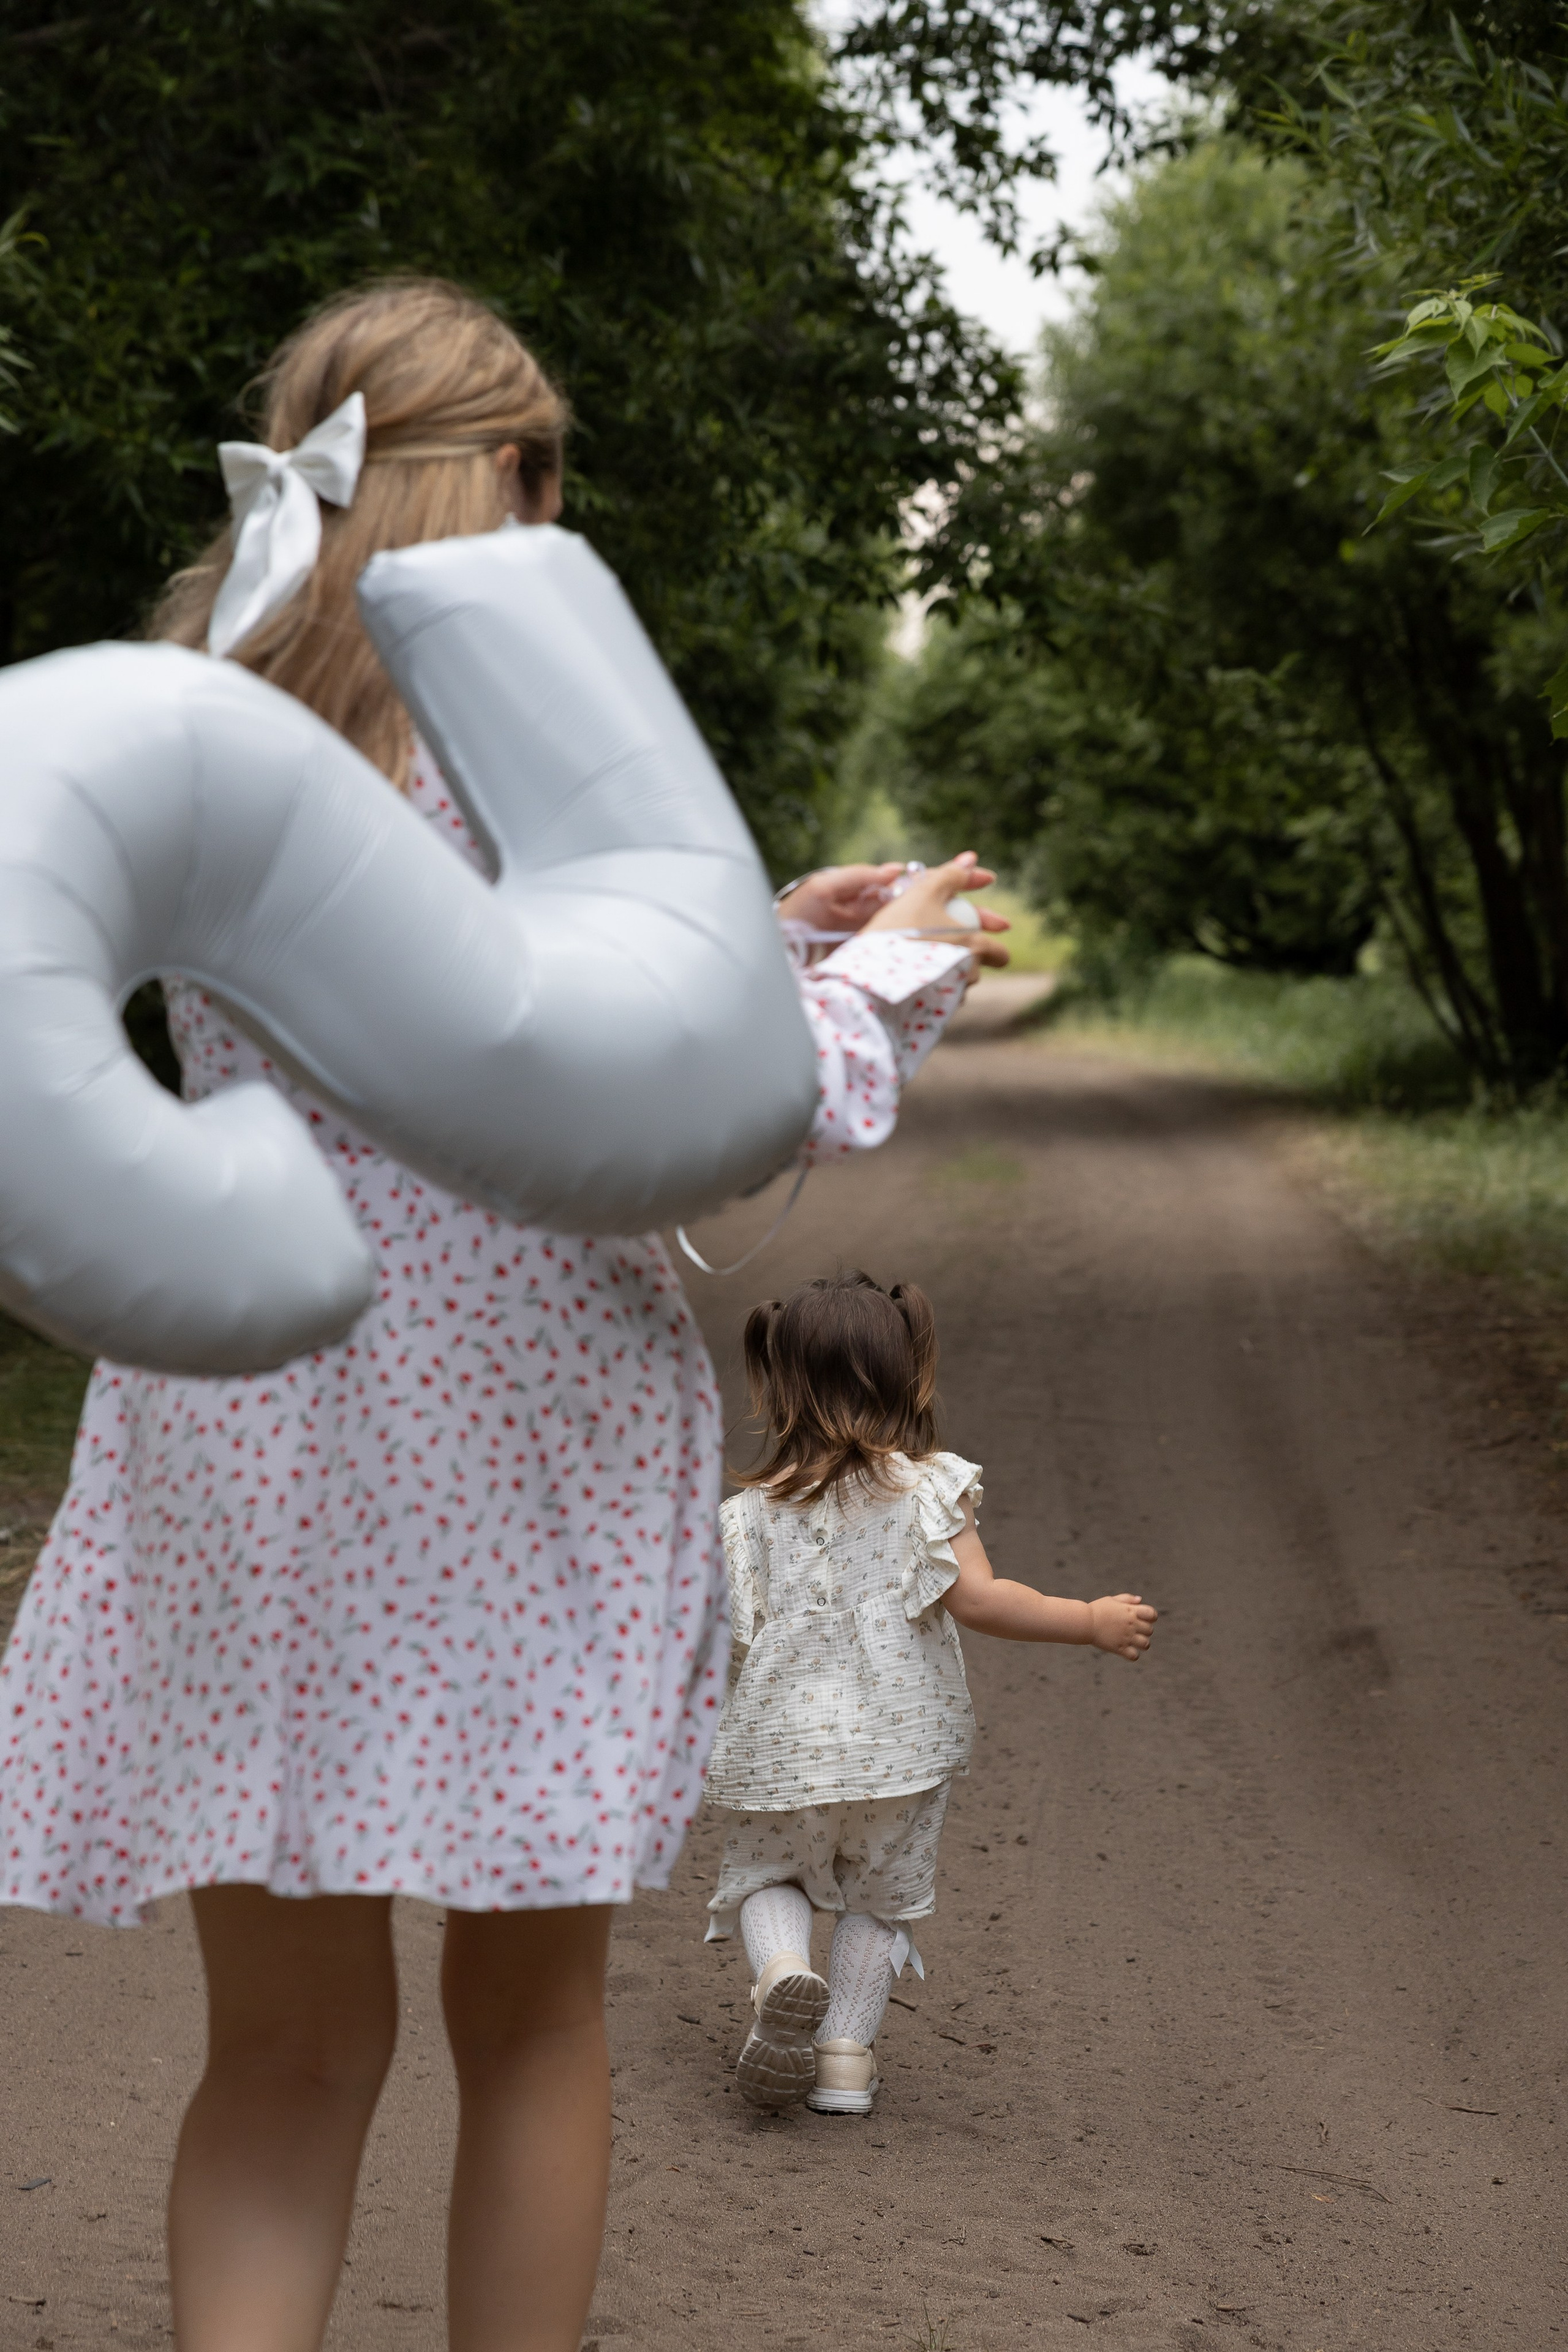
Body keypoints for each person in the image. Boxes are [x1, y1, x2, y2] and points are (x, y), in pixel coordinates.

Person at [0, 278, 1009, 2352]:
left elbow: (440, 991)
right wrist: (891, 967)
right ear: (521, 482)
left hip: (242, 1433)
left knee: (282, 2059)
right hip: (512, 1442)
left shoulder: (203, 703)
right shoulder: (516, 739)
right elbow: (693, 1098)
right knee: (532, 2028)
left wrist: (758, 925)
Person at [704, 1269, 1157, 2117]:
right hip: (901, 1750)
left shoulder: (747, 1516)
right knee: (881, 1899)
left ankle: (781, 1970)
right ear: (905, 1375)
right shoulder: (928, 1491)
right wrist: (1088, 1620)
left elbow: (716, 1631)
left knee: (770, 1873)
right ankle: (845, 2057)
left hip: (781, 1747)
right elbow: (981, 1601)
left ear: (780, 1384)